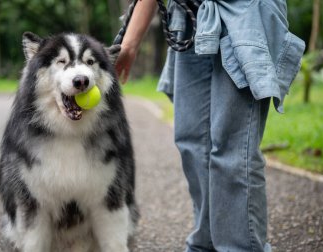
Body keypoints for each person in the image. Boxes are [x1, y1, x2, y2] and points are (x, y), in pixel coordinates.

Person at [115, 0, 305, 251]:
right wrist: (129, 43)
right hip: (188, 17)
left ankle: (239, 247)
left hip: (243, 11)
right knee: (192, 143)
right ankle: (205, 243)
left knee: (232, 150)